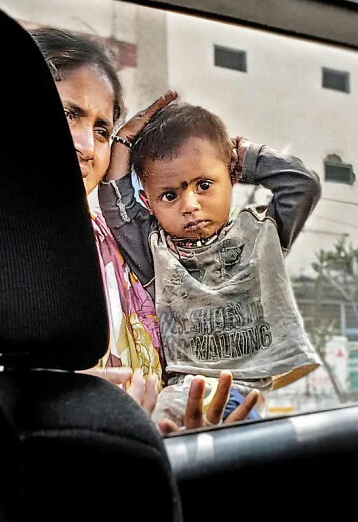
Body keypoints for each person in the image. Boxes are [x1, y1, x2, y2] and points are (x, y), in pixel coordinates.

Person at [31, 27, 257, 431]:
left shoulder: (125, 246)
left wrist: (188, 421)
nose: (86, 145)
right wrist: (69, 399)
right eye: (68, 114)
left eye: (102, 129)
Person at [99, 92, 321, 425]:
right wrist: (124, 142)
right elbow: (117, 204)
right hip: (184, 388)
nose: (189, 205)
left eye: (204, 184)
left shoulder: (260, 234)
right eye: (170, 195)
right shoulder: (155, 252)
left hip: (248, 388)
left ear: (232, 177)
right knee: (162, 431)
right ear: (148, 201)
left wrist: (241, 155)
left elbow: (302, 185)